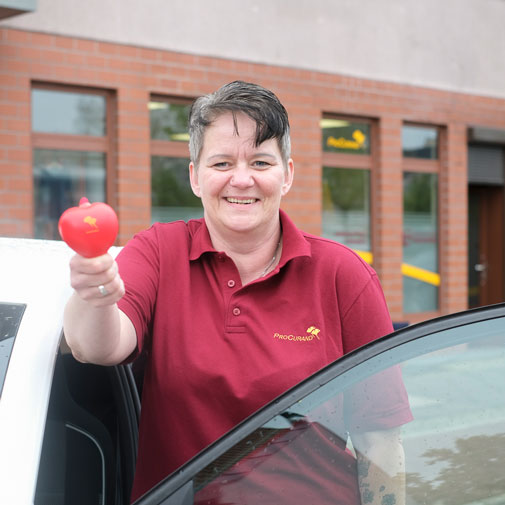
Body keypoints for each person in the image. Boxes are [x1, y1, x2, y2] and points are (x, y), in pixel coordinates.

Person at [63, 80, 412, 504]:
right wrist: (93, 293)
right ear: (195, 177)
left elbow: (381, 441)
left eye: (261, 162)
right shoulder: (158, 251)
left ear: (287, 175)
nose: (241, 180)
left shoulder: (343, 275)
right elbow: (97, 346)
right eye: (222, 163)